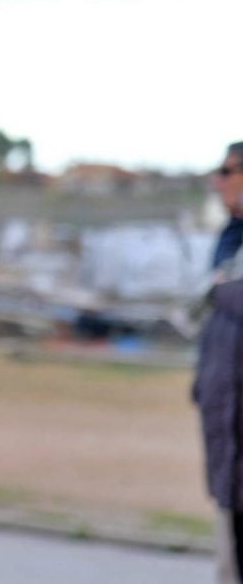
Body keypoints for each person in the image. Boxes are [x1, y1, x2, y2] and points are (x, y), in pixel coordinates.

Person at [195, 141, 243, 583]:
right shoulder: (230, 239)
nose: (219, 181)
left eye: (229, 171)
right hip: (227, 439)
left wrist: (221, 289)